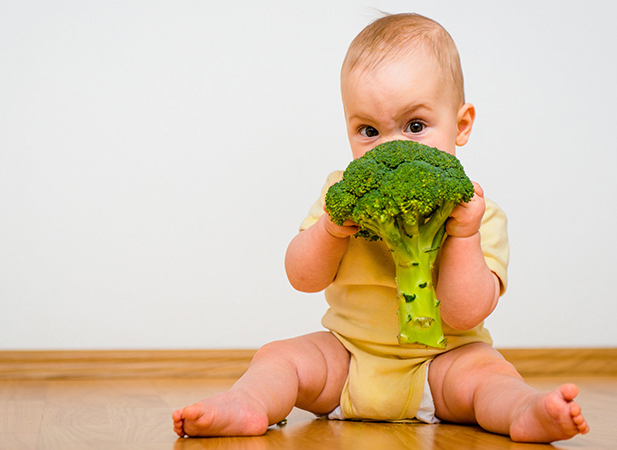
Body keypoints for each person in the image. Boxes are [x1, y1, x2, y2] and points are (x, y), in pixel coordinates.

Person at [173, 12, 589, 443]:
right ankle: (248, 403)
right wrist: (330, 231)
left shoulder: (479, 213)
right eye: (368, 130)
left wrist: (463, 236)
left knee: (489, 375)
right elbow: (301, 277)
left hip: (443, 363)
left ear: (461, 124)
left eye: (415, 126)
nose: (391, 148)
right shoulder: (342, 196)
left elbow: (468, 312)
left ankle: (525, 411)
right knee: (280, 357)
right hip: (348, 359)